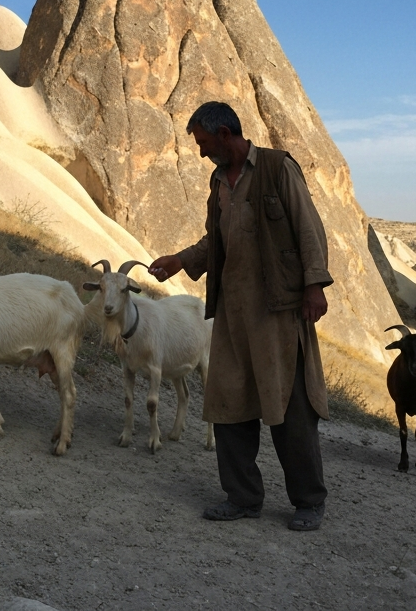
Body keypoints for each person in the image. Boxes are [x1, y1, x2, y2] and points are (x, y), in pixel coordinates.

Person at [150, 101, 332, 532]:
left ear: (226, 133)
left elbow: (310, 228)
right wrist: (180, 259)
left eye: (204, 142)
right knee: (228, 404)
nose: (201, 152)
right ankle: (243, 497)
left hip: (278, 312)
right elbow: (216, 239)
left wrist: (313, 288)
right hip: (232, 315)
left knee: (289, 406)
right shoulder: (218, 182)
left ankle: (309, 501)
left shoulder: (276, 168)